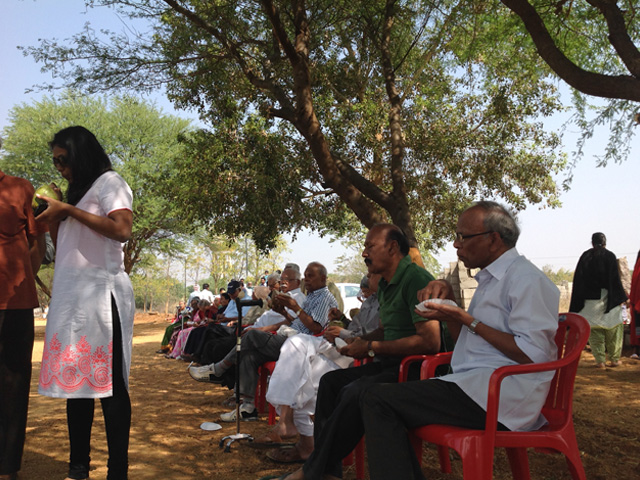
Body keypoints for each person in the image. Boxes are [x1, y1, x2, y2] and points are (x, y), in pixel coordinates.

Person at [356, 201, 560, 480]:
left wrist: (466, 318)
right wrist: (449, 306)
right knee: (376, 396)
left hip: (500, 396)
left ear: (493, 239)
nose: (456, 244)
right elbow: (469, 343)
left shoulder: (527, 280)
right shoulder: (491, 280)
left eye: (464, 237)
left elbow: (533, 355)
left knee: (377, 398)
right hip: (474, 384)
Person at [276, 223, 447, 480]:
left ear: (392, 247)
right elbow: (384, 330)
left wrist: (370, 347)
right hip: (388, 363)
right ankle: (328, 472)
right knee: (330, 383)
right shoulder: (387, 286)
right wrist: (360, 343)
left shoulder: (416, 279)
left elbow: (430, 342)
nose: (364, 253)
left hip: (413, 369)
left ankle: (312, 470)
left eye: (369, 247)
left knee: (356, 392)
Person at [36, 126, 135, 480]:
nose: (59, 168)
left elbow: (122, 229)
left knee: (110, 387)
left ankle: (117, 471)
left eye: (63, 160)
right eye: (55, 162)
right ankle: (78, 466)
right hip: (72, 298)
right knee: (76, 386)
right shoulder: (76, 193)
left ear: (80, 154)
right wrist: (56, 215)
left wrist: (69, 209)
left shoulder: (110, 183)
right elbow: (64, 246)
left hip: (101, 297)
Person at [193, 262, 336, 422]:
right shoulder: (312, 296)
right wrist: (284, 312)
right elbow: (298, 322)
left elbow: (315, 328)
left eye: (311, 276)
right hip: (290, 337)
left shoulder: (323, 297)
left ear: (323, 278)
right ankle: (248, 407)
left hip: (300, 345)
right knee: (249, 356)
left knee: (251, 336)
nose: (306, 280)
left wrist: (295, 308)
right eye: (306, 276)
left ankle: (219, 369)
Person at [261, 273, 381, 463]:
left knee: (298, 354)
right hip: (336, 346)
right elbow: (359, 329)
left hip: (355, 355)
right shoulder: (370, 302)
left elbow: (370, 337)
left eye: (310, 276)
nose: (306, 280)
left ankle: (291, 428)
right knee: (297, 360)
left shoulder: (386, 302)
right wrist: (342, 319)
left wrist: (342, 331)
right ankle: (297, 433)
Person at [0, 170, 47, 480]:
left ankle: (7, 469)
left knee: (13, 386)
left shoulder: (20, 189)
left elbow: (37, 241)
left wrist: (23, 280)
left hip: (14, 303)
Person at [569, 232, 627, 368]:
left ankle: (600, 361)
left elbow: (579, 279)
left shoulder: (585, 256)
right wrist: (621, 297)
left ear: (592, 243)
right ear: (605, 243)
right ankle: (614, 359)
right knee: (614, 330)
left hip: (589, 302)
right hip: (609, 299)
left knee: (594, 333)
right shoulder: (610, 256)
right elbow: (615, 280)